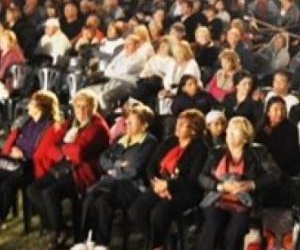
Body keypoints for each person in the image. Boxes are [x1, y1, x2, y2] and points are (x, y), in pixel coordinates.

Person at [26, 90, 110, 249]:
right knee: (33, 189)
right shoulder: (72, 121)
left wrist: (63, 149)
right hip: (64, 167)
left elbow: (79, 153)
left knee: (49, 193)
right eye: (78, 107)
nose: (81, 111)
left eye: (86, 107)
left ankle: (57, 233)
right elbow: (51, 146)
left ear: (93, 108)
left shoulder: (97, 127)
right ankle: (60, 228)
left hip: (83, 173)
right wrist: (65, 154)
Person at [197, 117, 282, 250]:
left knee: (235, 231)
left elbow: (275, 174)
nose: (229, 133)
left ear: (245, 138)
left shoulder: (258, 153)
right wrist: (220, 186)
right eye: (229, 130)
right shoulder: (216, 152)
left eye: (235, 131)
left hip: (243, 200)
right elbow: (202, 177)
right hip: (217, 198)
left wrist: (250, 184)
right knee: (212, 227)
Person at [128, 109, 208, 250]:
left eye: (182, 124)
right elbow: (151, 167)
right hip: (160, 186)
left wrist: (168, 185)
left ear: (193, 130)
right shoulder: (170, 141)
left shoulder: (200, 148)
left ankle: (155, 245)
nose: (176, 126)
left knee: (158, 214)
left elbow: (192, 179)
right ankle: (159, 244)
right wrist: (157, 183)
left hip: (186, 191)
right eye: (178, 122)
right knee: (136, 210)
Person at [81, 104, 158, 248]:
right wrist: (118, 164)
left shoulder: (149, 142)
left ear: (144, 125)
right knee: (89, 199)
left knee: (103, 202)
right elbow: (103, 158)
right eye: (127, 121)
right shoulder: (122, 139)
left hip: (131, 186)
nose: (126, 124)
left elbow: (133, 169)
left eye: (131, 122)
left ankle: (102, 244)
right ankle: (87, 240)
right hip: (111, 181)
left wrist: (112, 169)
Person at [0, 91, 63, 229]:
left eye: (32, 103)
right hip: (15, 161)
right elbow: (16, 138)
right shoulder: (27, 122)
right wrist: (13, 150)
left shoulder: (50, 127)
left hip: (30, 166)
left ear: (40, 107)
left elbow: (41, 151)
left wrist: (22, 154)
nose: (28, 105)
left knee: (7, 185)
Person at [255, 96, 300, 177]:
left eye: (282, 109)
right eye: (276, 109)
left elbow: (288, 155)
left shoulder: (291, 129)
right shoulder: (260, 127)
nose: (279, 113)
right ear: (268, 112)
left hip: (283, 169)